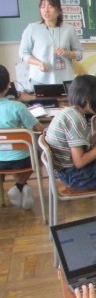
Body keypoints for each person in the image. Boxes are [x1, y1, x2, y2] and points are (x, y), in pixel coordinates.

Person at [0, 64, 44, 209]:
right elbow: (39, 129)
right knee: (39, 152)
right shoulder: (18, 107)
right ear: (8, 85)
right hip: (20, 161)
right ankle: (20, 186)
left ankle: (20, 188)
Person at [18, 0, 83, 86]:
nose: (46, 10)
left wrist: (67, 53)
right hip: (40, 79)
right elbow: (23, 53)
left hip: (65, 80)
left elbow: (79, 54)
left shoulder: (69, 29)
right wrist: (39, 63)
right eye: (43, 7)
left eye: (50, 6)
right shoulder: (32, 28)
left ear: (58, 10)